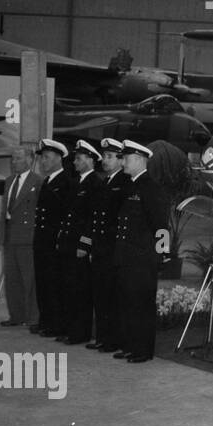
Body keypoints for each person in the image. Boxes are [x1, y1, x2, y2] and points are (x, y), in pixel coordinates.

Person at [113, 140, 170, 364]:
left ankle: (142, 350)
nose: (122, 162)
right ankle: (129, 345)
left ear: (138, 159)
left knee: (141, 305)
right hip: (127, 256)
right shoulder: (130, 185)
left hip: (143, 258)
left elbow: (161, 225)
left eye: (125, 158)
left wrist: (161, 255)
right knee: (127, 302)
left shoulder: (151, 188)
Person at [56, 140, 103, 346]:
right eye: (75, 158)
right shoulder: (76, 183)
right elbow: (68, 215)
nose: (75, 162)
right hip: (68, 242)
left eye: (79, 158)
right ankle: (69, 328)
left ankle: (80, 332)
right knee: (68, 287)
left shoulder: (95, 183)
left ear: (90, 160)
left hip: (79, 246)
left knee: (80, 290)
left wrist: (85, 244)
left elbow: (92, 218)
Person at [0, 145, 44, 329]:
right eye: (13, 158)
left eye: (19, 158)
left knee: (29, 279)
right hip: (9, 236)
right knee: (12, 280)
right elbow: (5, 211)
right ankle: (16, 315)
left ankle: (33, 317)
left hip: (27, 237)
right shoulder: (9, 181)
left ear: (30, 160)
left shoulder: (37, 181)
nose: (14, 162)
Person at [87, 139, 128, 353]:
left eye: (110, 156)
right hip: (101, 249)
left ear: (121, 160)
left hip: (113, 249)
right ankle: (103, 337)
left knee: (112, 297)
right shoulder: (106, 182)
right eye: (104, 156)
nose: (104, 160)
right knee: (101, 295)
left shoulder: (124, 183)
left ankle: (113, 339)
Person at [32, 138, 72, 339]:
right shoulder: (47, 181)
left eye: (46, 158)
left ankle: (55, 324)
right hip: (42, 241)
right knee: (43, 282)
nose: (43, 162)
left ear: (58, 158)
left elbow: (65, 215)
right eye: (42, 158)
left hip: (54, 242)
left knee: (54, 284)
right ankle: (45, 321)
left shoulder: (66, 181)